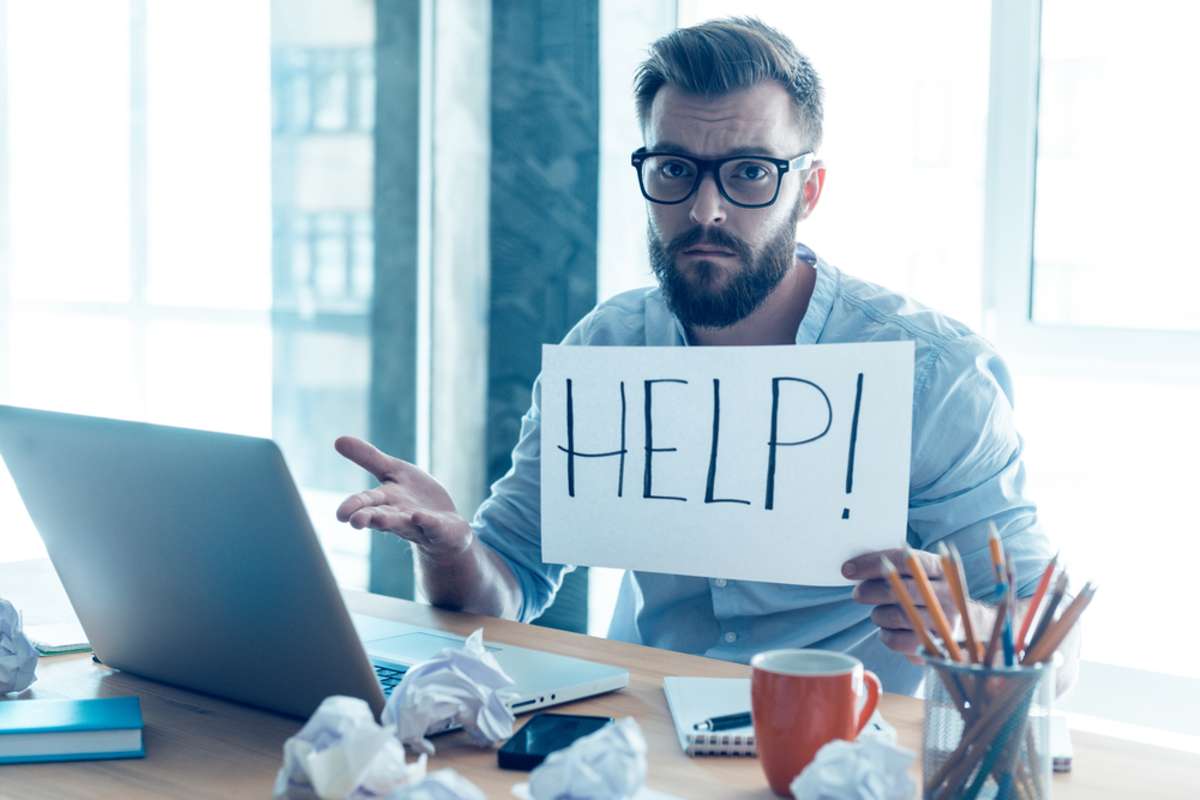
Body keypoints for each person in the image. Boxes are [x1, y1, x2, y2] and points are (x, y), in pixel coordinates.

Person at [334, 17, 1076, 695]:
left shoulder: (934, 375)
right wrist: (454, 545)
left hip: (837, 749)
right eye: (674, 170)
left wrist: (969, 628)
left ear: (808, 190)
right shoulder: (609, 347)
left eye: (751, 172)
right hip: (636, 737)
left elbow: (1052, 650)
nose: (705, 210)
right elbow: (508, 585)